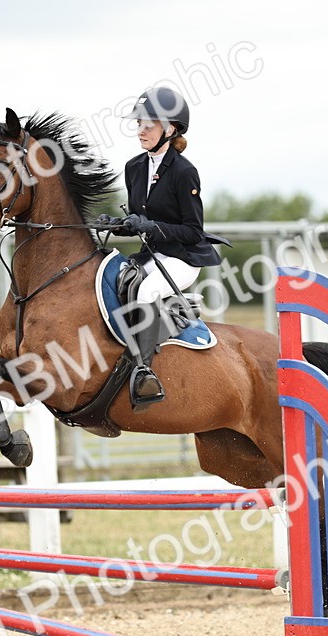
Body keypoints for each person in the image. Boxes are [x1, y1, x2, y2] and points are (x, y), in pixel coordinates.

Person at [105, 86, 223, 409]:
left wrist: (149, 226)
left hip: (183, 257)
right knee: (116, 280)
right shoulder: (134, 168)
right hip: (153, 255)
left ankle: (143, 373)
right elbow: (139, 220)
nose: (141, 130)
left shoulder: (184, 173)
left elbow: (191, 230)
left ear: (170, 130)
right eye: (139, 123)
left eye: (149, 124)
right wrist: (118, 224)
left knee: (145, 292)